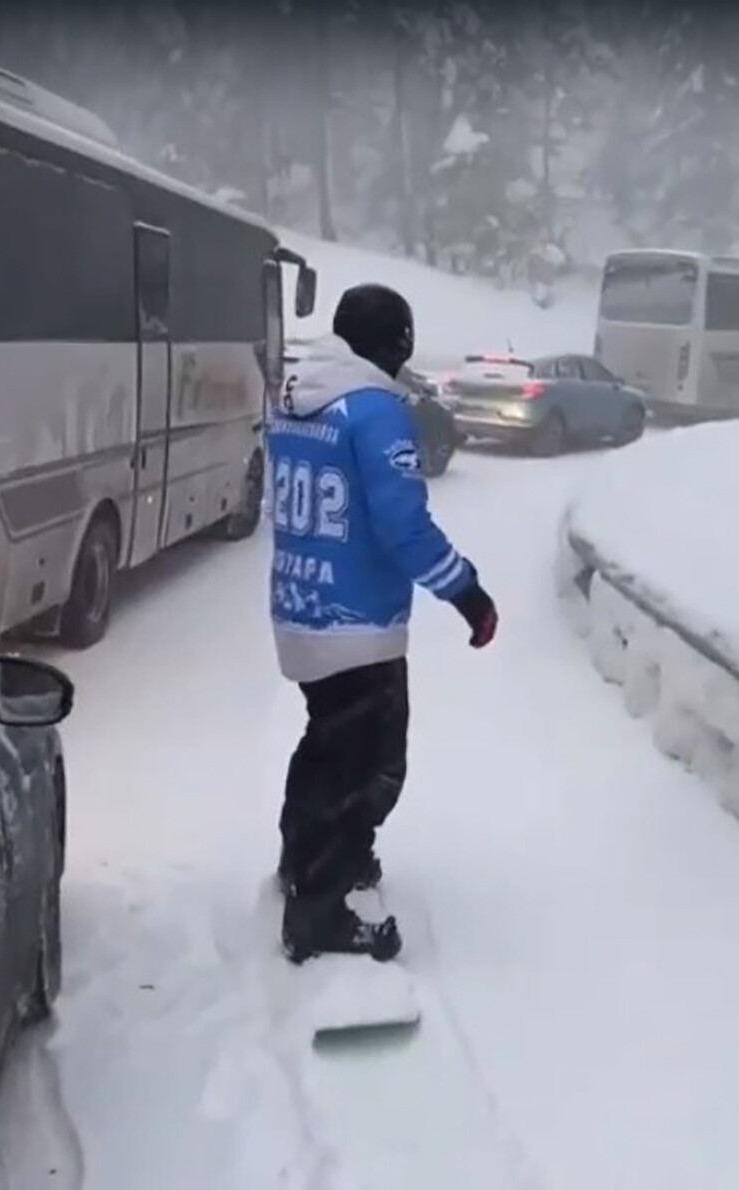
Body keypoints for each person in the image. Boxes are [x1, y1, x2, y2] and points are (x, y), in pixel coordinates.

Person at [267, 283, 498, 964]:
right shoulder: (378, 415)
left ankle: (303, 856)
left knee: (326, 744)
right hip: (357, 621)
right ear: (396, 343)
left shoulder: (297, 401)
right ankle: (319, 912)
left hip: (298, 608)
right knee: (371, 765)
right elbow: (403, 528)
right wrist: (468, 595)